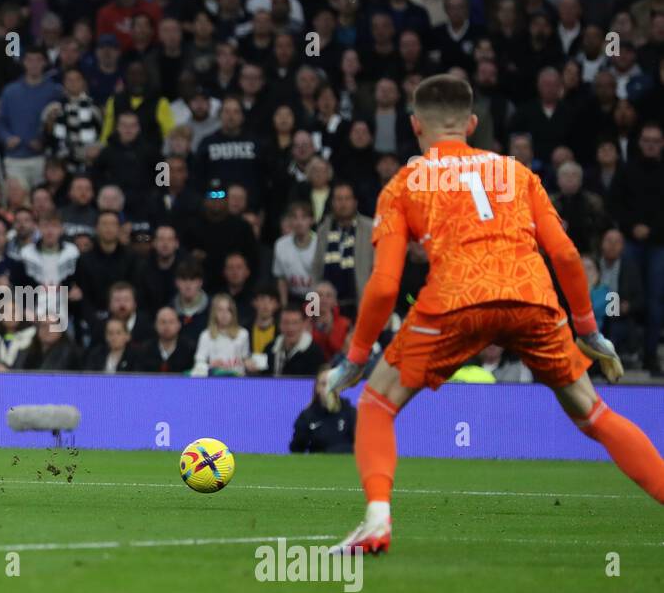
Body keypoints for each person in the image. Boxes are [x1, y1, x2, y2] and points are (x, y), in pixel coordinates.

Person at [326, 75, 664, 555]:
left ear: (415, 125)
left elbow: (383, 285)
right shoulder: (517, 172)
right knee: (594, 413)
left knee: (378, 404)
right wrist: (588, 328)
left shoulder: (403, 184)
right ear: (472, 123)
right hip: (533, 299)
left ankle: (377, 521)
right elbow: (567, 256)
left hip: (455, 299)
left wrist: (356, 355)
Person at [290, 370, 357, 453]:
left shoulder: (351, 413)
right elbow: (296, 450)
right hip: (319, 464)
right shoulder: (307, 416)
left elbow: (361, 445)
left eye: (333, 384)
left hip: (345, 463)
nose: (328, 389)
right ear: (317, 388)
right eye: (324, 384)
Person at [191, 294, 250, 376]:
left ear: (233, 313)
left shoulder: (243, 334)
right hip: (214, 380)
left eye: (228, 310)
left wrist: (249, 363)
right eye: (220, 310)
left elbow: (245, 360)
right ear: (214, 313)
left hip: (237, 380)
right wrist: (210, 365)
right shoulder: (206, 335)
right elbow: (199, 362)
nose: (224, 314)